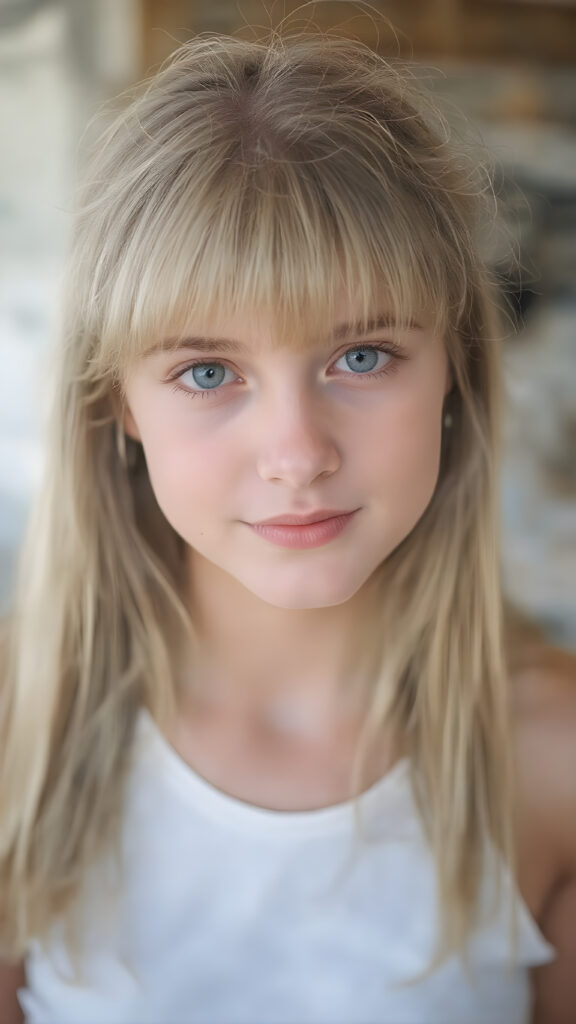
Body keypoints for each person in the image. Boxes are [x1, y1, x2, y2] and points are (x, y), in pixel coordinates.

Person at [0, 30, 575, 1024]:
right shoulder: (20, 736)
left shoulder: (551, 753)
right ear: (117, 404)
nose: (298, 452)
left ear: (453, 369)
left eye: (361, 356)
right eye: (208, 373)